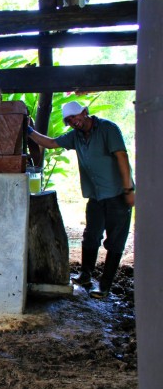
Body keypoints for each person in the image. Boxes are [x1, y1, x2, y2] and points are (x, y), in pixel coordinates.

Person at [27, 100, 135, 299]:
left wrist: (128, 189)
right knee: (91, 235)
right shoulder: (76, 136)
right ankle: (85, 275)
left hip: (117, 195)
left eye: (75, 117)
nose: (73, 122)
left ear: (85, 112)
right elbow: (51, 143)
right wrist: (28, 130)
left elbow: (122, 157)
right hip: (95, 196)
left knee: (115, 242)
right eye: (69, 120)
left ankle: (105, 286)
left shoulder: (108, 129)